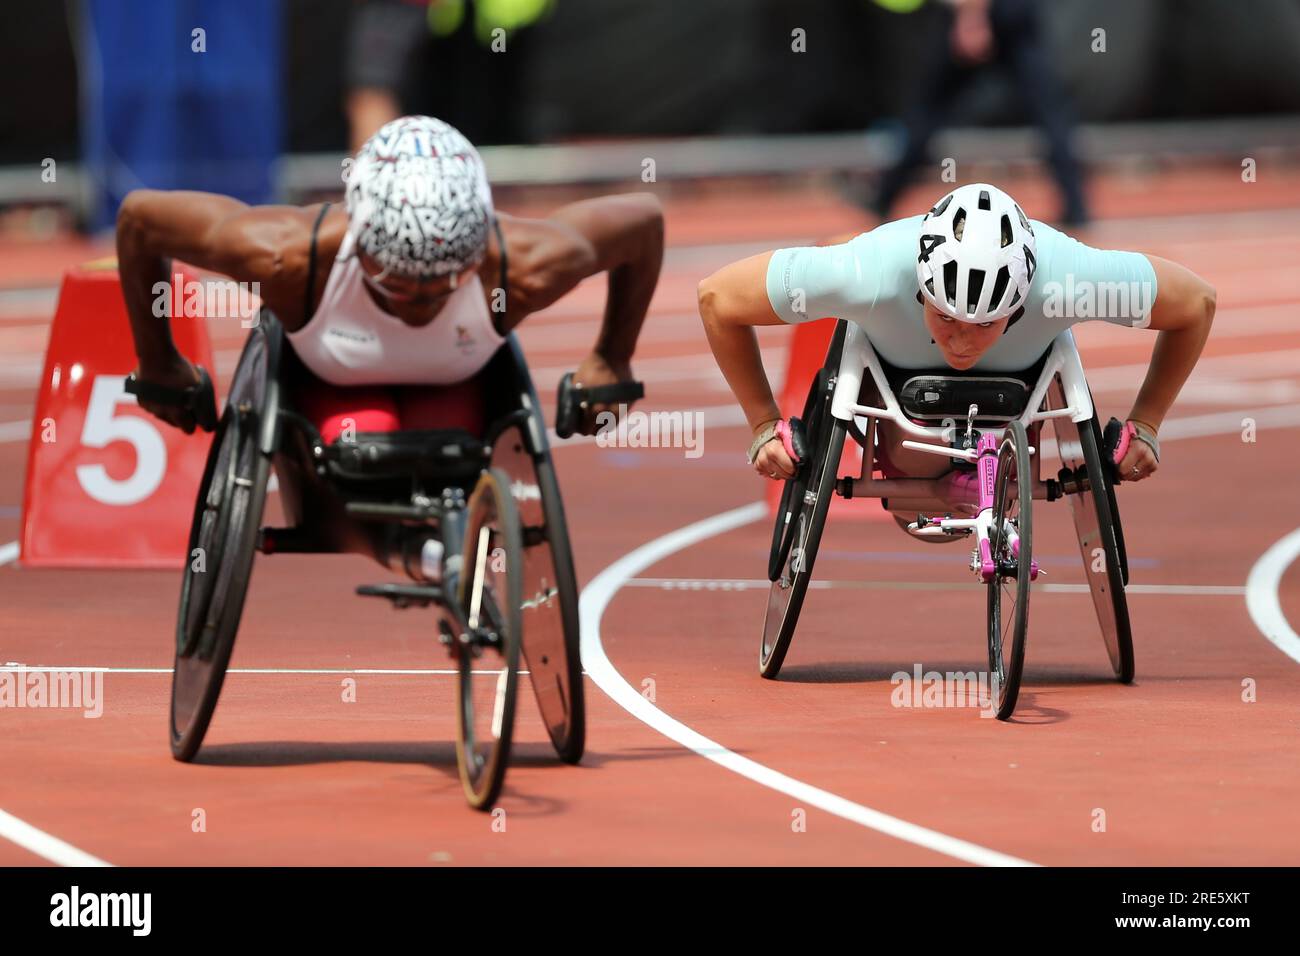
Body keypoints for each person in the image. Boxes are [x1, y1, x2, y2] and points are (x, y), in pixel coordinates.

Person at [118, 114, 661, 558]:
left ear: (476, 254)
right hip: (328, 387)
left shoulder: (527, 264)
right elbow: (141, 221)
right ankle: (397, 540)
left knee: (441, 449)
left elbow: (643, 223)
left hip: (459, 387)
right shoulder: (284, 255)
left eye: (442, 287)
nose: (420, 305)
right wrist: (159, 361)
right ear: (359, 244)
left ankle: (424, 547)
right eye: (397, 288)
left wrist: (613, 358)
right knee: (363, 445)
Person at [698, 181, 1215, 507]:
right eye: (944, 316)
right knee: (916, 478)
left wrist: (1145, 425)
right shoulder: (866, 271)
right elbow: (717, 297)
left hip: (1017, 399)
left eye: (985, 323)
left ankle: (980, 473)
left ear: (1019, 303)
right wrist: (764, 425)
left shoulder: (1067, 278)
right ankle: (948, 473)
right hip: (900, 417)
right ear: (920, 285)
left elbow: (1196, 303)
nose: (962, 341)